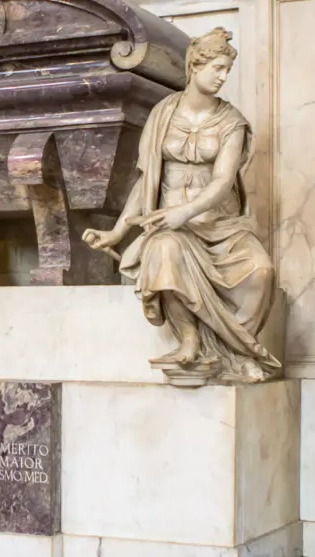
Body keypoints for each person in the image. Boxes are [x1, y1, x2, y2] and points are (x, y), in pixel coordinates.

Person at [83, 29, 281, 384]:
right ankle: (189, 341)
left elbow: (223, 181)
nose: (222, 77)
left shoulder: (231, 122)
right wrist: (117, 231)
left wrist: (184, 213)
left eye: (226, 71)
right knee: (163, 250)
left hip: (219, 226)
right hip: (170, 226)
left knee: (261, 271)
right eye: (217, 68)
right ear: (195, 65)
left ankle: (236, 349)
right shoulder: (163, 114)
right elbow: (147, 181)